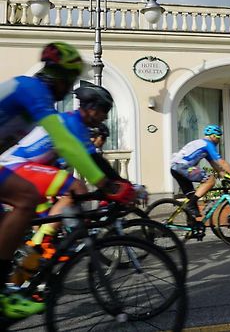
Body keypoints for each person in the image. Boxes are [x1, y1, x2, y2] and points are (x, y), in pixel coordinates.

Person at [0, 42, 134, 320]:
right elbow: (70, 149)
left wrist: (111, 184)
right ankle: (9, 287)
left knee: (58, 200)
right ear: (62, 77)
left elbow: (93, 160)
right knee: (53, 191)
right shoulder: (34, 91)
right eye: (70, 80)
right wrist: (108, 187)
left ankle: (19, 276)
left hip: (16, 166)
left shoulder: (44, 101)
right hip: (17, 166)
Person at [0, 81, 123, 255]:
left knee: (50, 217)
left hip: (25, 167)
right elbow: (94, 160)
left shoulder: (75, 123)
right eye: (105, 111)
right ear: (92, 108)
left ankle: (33, 264)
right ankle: (40, 246)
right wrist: (120, 185)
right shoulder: (73, 122)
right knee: (77, 188)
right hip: (15, 165)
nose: (106, 117)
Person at [170, 124, 230, 218]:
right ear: (213, 136)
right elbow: (221, 162)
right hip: (182, 167)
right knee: (211, 180)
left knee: (192, 197)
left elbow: (215, 165)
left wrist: (225, 176)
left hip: (175, 168)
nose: (219, 140)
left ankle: (192, 225)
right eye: (218, 138)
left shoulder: (201, 143)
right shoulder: (208, 144)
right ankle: (190, 205)